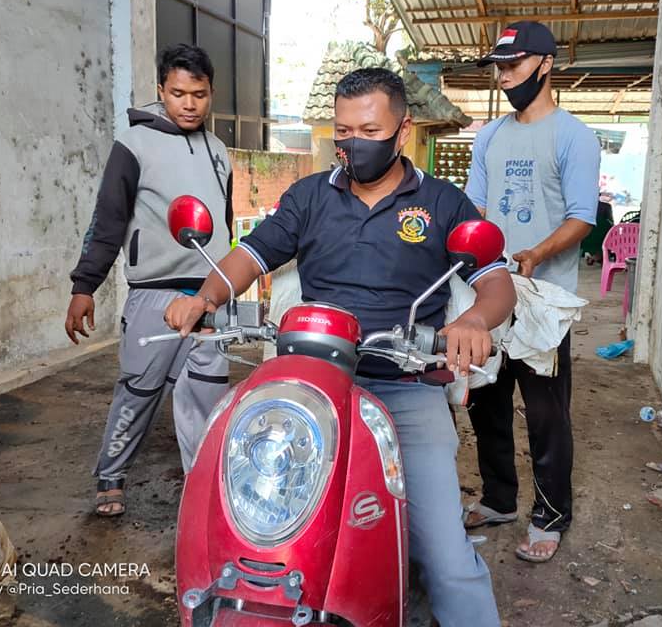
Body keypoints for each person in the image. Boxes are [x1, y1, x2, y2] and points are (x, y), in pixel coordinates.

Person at [164, 68, 515, 626]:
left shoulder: (443, 203)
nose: (353, 144)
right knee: (252, 510)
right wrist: (204, 296)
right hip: (309, 383)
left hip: (405, 384)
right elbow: (251, 255)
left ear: (402, 131)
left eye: (369, 131)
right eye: (343, 131)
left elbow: (496, 282)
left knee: (445, 558)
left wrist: (474, 321)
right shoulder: (310, 196)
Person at [64, 44, 234, 517]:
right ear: (161, 90)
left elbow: (225, 222)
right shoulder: (134, 144)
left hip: (210, 295)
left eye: (199, 94)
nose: (189, 104)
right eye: (178, 93)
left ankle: (205, 489)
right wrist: (84, 285)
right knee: (139, 389)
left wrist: (229, 282)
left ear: (211, 93)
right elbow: (109, 219)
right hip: (154, 292)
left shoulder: (219, 151)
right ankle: (111, 474)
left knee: (207, 394)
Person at [463, 22, 601, 563]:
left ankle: (550, 515)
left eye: (514, 65)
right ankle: (499, 499)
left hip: (544, 298)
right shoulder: (490, 136)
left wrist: (537, 253)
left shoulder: (573, 136)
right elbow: (476, 207)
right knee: (486, 403)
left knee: (545, 412)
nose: (504, 77)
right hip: (489, 290)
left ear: (545, 64)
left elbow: (582, 217)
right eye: (499, 67)